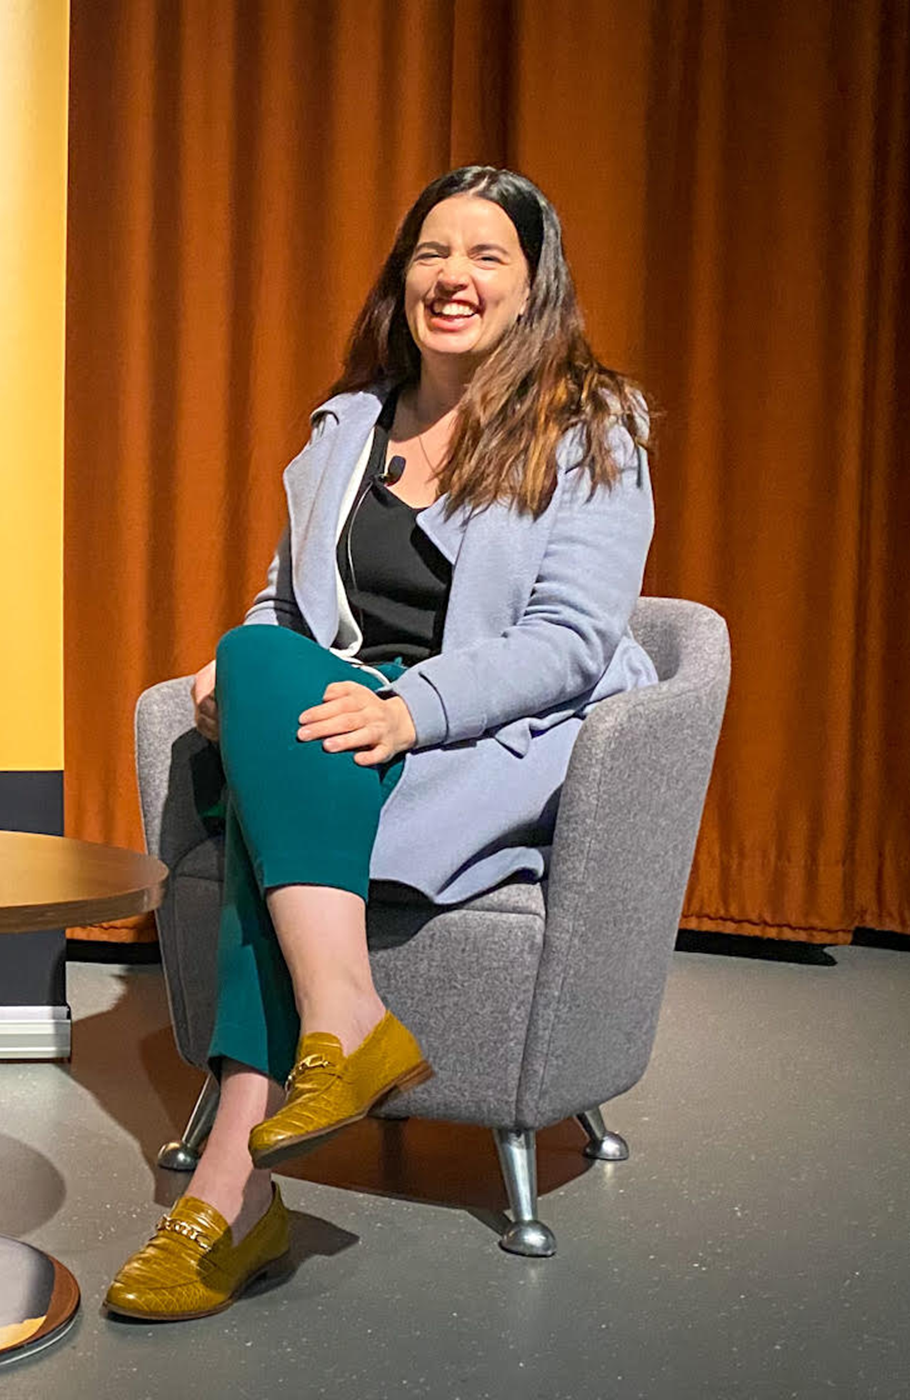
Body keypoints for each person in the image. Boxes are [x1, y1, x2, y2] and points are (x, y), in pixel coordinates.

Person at [104, 166, 657, 1321]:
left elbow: (569, 640)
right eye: (431, 252)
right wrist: (239, 668)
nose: (453, 277)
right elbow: (286, 604)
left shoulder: (590, 428)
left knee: (264, 817)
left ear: (531, 285)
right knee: (251, 660)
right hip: (345, 721)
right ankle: (341, 1018)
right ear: (402, 274)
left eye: (486, 256)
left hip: (483, 732)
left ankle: (231, 1187)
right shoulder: (348, 426)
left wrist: (411, 710)